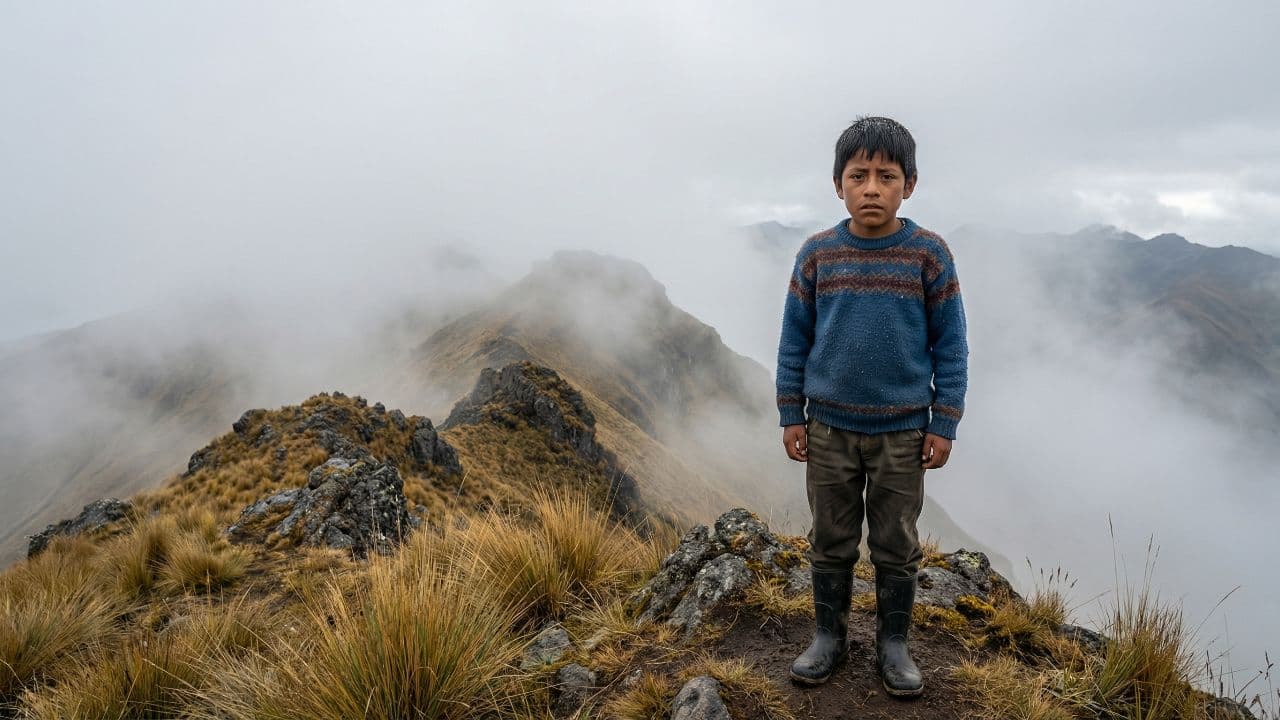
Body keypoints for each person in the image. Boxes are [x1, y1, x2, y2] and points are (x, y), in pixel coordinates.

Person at [775, 115, 969, 697]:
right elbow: (794, 339)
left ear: (909, 184)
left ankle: (894, 645)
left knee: (895, 543)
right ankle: (829, 638)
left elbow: (951, 345)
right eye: (858, 175)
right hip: (828, 429)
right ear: (838, 184)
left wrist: (944, 421)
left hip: (903, 434)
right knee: (830, 540)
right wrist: (790, 414)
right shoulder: (817, 255)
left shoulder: (928, 255)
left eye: (886, 176)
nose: (872, 188)